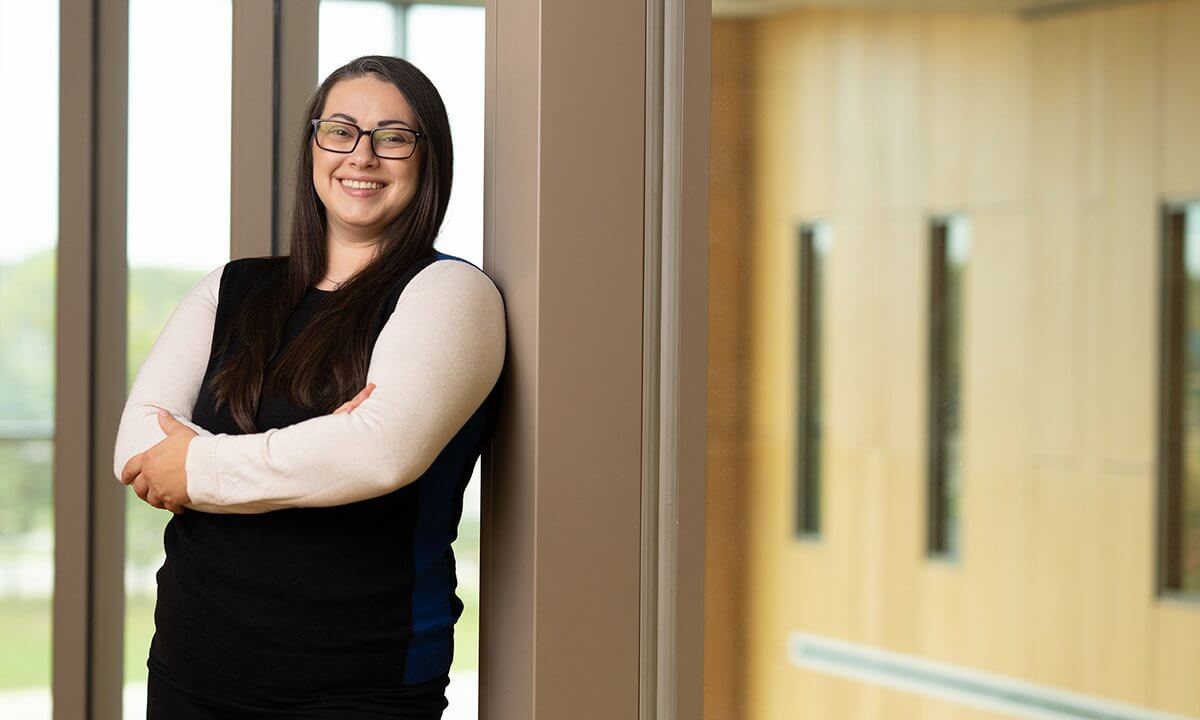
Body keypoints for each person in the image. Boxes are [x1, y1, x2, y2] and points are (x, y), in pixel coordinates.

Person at [112, 55, 506, 719]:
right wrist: (318, 448)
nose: (363, 155)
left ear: (427, 158)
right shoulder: (234, 287)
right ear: (313, 147)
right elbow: (137, 446)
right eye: (341, 130)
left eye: (393, 137)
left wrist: (200, 463)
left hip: (356, 685)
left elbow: (379, 456)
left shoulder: (451, 294)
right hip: (189, 667)